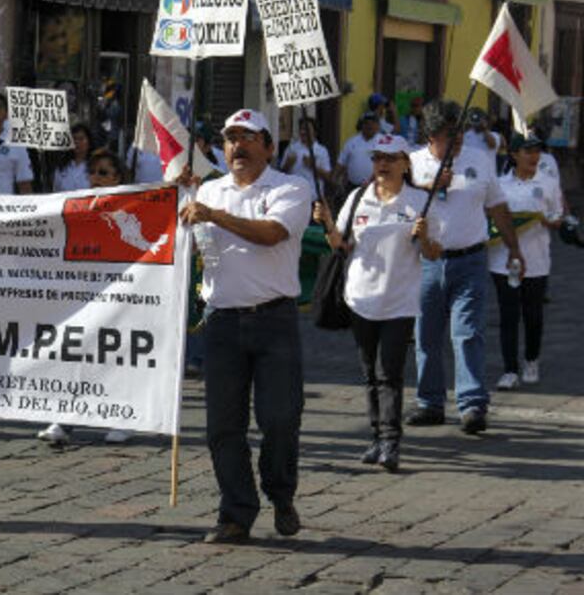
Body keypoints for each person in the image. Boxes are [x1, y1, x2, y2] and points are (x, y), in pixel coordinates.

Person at [179, 109, 311, 543]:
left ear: (269, 147)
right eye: (230, 138)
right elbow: (190, 246)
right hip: (222, 321)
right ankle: (235, 512)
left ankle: (280, 493)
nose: (238, 146)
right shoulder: (208, 190)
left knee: (280, 419)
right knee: (222, 426)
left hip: (274, 319)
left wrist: (213, 216)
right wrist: (179, 202)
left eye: (248, 138)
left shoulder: (292, 187)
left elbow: (271, 234)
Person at [313, 135, 442, 472]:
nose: (382, 164)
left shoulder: (420, 201)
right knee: (369, 373)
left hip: (400, 301)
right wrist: (327, 222)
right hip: (361, 299)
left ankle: (390, 441)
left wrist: (424, 236)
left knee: (389, 373)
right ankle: (375, 437)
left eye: (390, 158)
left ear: (405, 164)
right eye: (377, 158)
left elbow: (433, 253)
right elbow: (340, 245)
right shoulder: (358, 198)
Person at [407, 99, 525, 434]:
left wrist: (514, 247)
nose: (458, 138)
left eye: (460, 130)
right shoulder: (412, 163)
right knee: (426, 335)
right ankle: (430, 402)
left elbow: (498, 206)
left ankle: (472, 404)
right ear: (431, 135)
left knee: (468, 332)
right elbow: (395, 202)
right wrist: (429, 187)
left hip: (470, 259)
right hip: (426, 262)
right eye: (449, 133)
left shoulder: (479, 159)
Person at [38, 150, 133, 446]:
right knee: (75, 354)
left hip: (120, 294)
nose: (96, 178)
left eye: (104, 173)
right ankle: (66, 419)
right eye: (93, 172)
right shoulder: (79, 205)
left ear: (118, 177)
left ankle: (120, 419)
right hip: (83, 294)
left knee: (116, 356)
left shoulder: (131, 207)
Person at [490, 134, 563, 390]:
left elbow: (557, 214)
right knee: (508, 315)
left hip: (536, 260)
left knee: (533, 314)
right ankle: (510, 370)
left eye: (536, 151)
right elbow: (489, 216)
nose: (534, 156)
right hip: (502, 260)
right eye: (527, 151)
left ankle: (531, 360)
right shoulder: (499, 184)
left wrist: (550, 220)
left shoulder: (548, 182)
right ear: (514, 154)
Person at [281, 118, 331, 198]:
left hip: (313, 197)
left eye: (307, 129)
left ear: (315, 132)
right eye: (301, 129)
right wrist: (287, 165)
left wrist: (313, 166)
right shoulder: (292, 148)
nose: (303, 132)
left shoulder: (322, 151)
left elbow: (328, 176)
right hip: (294, 196)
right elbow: (281, 173)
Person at [335, 112, 381, 189]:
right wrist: (334, 179)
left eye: (373, 123)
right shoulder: (351, 142)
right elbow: (341, 163)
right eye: (366, 123)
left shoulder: (383, 142)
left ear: (378, 126)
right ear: (361, 125)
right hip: (353, 187)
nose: (370, 126)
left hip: (376, 188)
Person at [52, 123, 95, 192]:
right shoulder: (62, 167)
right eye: (74, 139)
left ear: (89, 142)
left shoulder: (95, 164)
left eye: (81, 139)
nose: (77, 142)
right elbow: (56, 190)